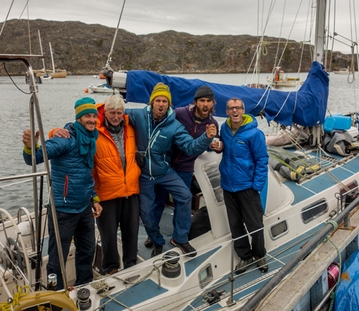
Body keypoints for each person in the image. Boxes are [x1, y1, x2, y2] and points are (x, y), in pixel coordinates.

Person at [50, 95, 141, 275]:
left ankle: (131, 266)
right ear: (104, 113)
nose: (116, 116)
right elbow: (72, 130)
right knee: (108, 236)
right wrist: (53, 132)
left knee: (132, 232)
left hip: (130, 189)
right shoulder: (93, 130)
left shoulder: (131, 126)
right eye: (112, 113)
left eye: (119, 113)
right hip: (106, 191)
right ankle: (111, 268)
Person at [126, 82, 217, 257]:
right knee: (148, 211)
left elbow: (191, 147)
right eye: (158, 100)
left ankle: (180, 238)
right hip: (146, 174)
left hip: (171, 170)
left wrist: (208, 138)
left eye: (165, 101)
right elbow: (113, 115)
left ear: (169, 104)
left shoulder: (176, 124)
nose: (161, 104)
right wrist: (74, 127)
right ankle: (156, 239)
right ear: (152, 102)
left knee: (184, 197)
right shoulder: (139, 115)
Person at [22, 97, 103, 289]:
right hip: (63, 210)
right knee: (57, 258)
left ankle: (84, 287)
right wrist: (30, 146)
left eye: (94, 116)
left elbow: (86, 173)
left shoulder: (91, 139)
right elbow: (36, 158)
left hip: (84, 207)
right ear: (79, 118)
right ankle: (54, 293)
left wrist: (94, 198)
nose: (91, 119)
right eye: (87, 116)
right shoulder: (65, 139)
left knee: (87, 251)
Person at [215, 97, 269, 274]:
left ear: (243, 110)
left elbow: (262, 160)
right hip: (228, 186)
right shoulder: (224, 128)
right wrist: (217, 146)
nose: (235, 111)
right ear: (227, 112)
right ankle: (245, 256)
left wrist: (256, 186)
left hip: (247, 187)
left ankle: (260, 255)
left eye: (238, 108)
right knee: (235, 225)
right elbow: (224, 148)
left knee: (255, 224)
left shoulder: (254, 134)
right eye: (231, 108)